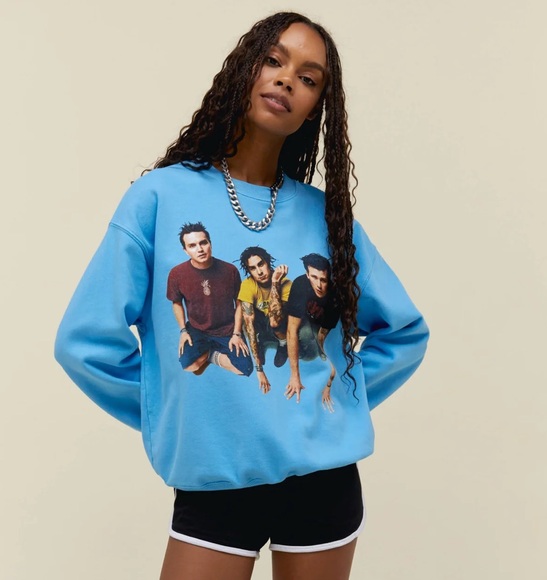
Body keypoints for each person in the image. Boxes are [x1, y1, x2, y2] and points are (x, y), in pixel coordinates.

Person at [54, 11, 429, 580]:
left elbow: (404, 333)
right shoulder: (159, 196)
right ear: (244, 68)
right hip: (215, 478)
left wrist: (333, 404)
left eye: (309, 78)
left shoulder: (325, 216)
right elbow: (85, 343)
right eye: (274, 60)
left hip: (323, 482)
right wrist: (176, 413)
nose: (286, 79)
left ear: (316, 107)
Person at [167, 222, 252, 377]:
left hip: (227, 329)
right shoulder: (177, 274)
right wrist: (183, 331)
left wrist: (237, 333)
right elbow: (177, 302)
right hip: (197, 329)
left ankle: (210, 354)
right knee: (189, 366)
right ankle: (209, 352)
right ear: (185, 250)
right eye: (192, 246)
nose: (199, 249)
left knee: (244, 370)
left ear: (210, 244)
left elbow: (240, 302)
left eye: (203, 243)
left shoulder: (230, 270)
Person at [285, 253, 340, 410]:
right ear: (307, 274)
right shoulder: (300, 284)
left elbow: (326, 336)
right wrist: (295, 376)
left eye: (323, 280)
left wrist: (328, 385)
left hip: (323, 327)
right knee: (303, 335)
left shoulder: (334, 296)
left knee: (324, 350)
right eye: (314, 277)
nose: (319, 285)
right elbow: (291, 329)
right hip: (304, 321)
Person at [237, 246, 292, 393]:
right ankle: (260, 343)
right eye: (253, 268)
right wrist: (259, 369)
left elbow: (275, 320)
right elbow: (249, 326)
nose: (259, 272)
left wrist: (275, 283)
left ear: (268, 262)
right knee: (246, 319)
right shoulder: (248, 285)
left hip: (279, 324)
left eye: (261, 264)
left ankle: (283, 344)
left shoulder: (286, 283)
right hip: (261, 324)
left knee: (275, 322)